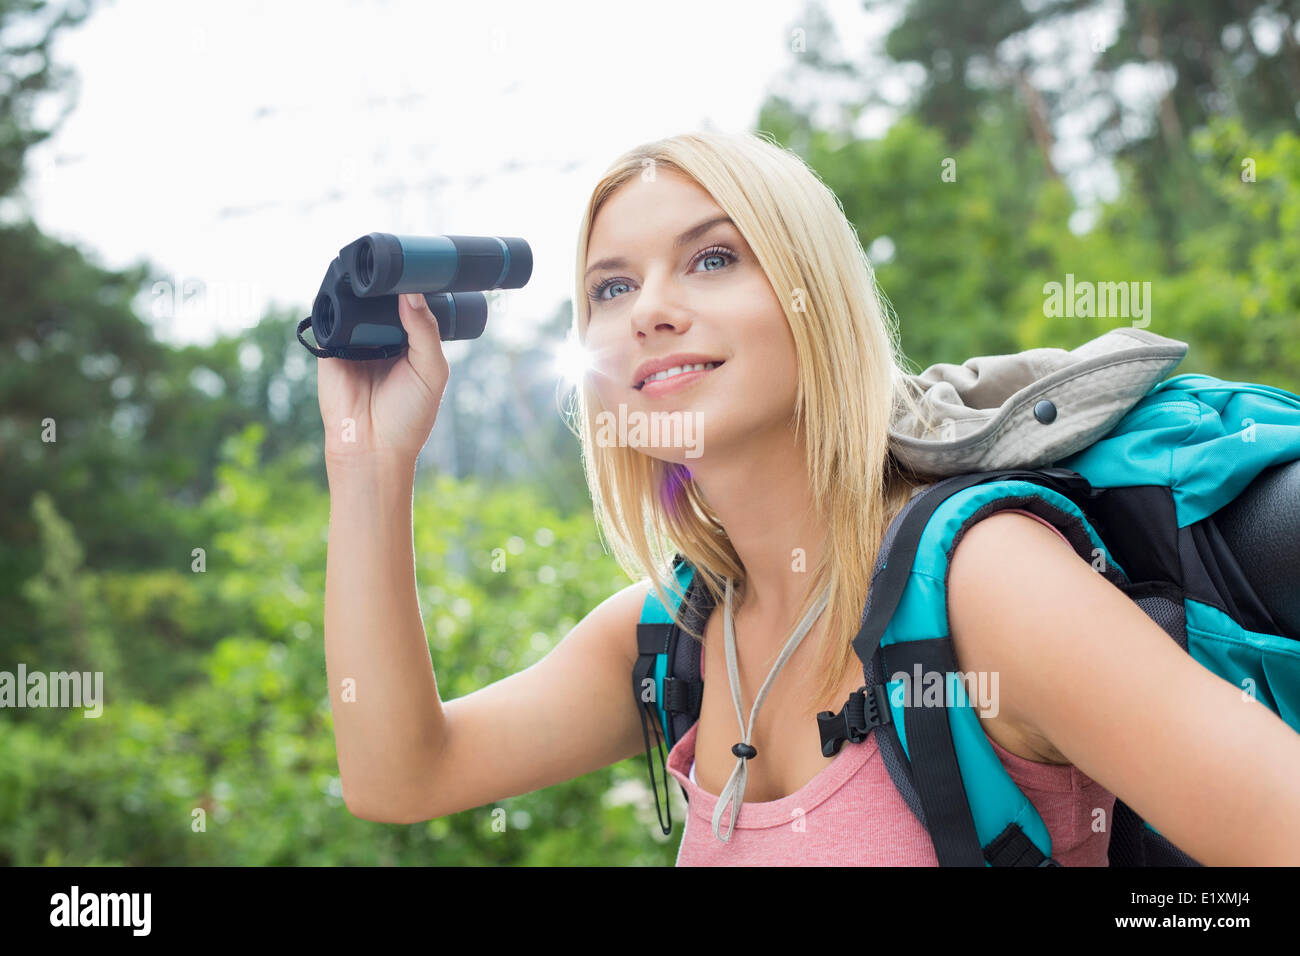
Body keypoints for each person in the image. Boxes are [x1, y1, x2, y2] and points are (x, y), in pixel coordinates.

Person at [317, 129, 1300, 865]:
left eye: (712, 257)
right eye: (610, 287)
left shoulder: (982, 589)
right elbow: (400, 771)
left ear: (813, 297)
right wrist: (367, 459)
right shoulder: (677, 632)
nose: (650, 308)